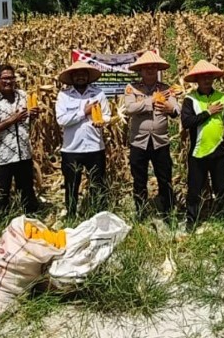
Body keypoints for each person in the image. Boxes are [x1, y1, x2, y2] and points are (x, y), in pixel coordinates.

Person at [122, 51, 179, 219]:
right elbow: (129, 108)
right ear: (140, 70)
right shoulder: (132, 88)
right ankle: (141, 211)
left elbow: (176, 108)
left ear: (157, 70)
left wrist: (171, 109)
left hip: (160, 142)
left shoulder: (166, 89)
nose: (150, 71)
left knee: (164, 177)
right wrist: (150, 102)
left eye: (153, 68)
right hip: (138, 142)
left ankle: (167, 210)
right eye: (146, 68)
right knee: (139, 178)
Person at [180, 60, 224, 228]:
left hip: (218, 150)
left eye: (209, 77)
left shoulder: (222, 97)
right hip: (198, 152)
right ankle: (192, 219)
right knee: (194, 188)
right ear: (197, 80)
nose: (206, 80)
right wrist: (207, 112)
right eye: (203, 77)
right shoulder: (190, 99)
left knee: (221, 187)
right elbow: (187, 122)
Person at [55, 59, 111, 217]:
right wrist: (84, 112)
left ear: (88, 76)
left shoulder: (98, 93)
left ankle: (98, 215)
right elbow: (61, 120)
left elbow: (107, 115)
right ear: (72, 77)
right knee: (72, 185)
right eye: (77, 74)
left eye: (83, 74)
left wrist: (102, 121)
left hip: (95, 147)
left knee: (97, 184)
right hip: (72, 149)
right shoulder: (64, 96)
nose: (80, 77)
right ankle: (71, 215)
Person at [0, 64, 38, 214]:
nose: (9, 81)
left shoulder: (24, 96)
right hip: (2, 157)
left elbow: (30, 119)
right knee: (1, 194)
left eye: (11, 78)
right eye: (5, 78)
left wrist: (33, 115)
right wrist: (12, 120)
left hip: (23, 154)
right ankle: (2, 222)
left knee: (27, 191)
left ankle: (30, 221)